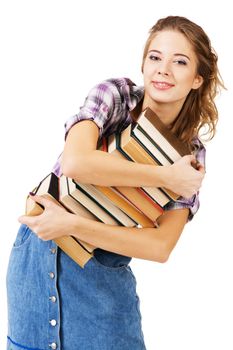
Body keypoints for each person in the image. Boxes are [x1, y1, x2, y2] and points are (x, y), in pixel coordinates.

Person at [6, 15, 224, 350]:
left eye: (179, 62)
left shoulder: (191, 155)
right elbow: (76, 163)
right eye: (155, 57)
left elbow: (160, 246)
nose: (163, 69)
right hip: (36, 255)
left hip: (99, 268)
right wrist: (165, 176)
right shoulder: (117, 96)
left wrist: (71, 224)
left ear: (197, 79)